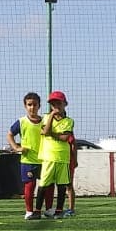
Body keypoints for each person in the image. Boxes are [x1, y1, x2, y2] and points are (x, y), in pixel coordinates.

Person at [6, 92, 45, 220]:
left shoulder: (45, 121)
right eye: (29, 105)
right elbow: (10, 134)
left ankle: (49, 210)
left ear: (39, 106)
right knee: (30, 186)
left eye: (35, 104)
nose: (32, 107)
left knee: (47, 186)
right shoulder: (21, 122)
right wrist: (16, 148)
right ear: (25, 106)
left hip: (45, 159)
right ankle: (29, 211)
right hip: (28, 160)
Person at [38, 91, 75, 219]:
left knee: (62, 185)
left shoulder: (69, 121)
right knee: (43, 184)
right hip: (48, 156)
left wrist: (51, 134)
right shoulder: (46, 117)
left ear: (65, 104)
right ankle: (37, 211)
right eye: (53, 104)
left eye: (58, 103)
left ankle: (59, 211)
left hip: (63, 158)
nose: (56, 106)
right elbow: (45, 130)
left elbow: (65, 137)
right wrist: (51, 116)